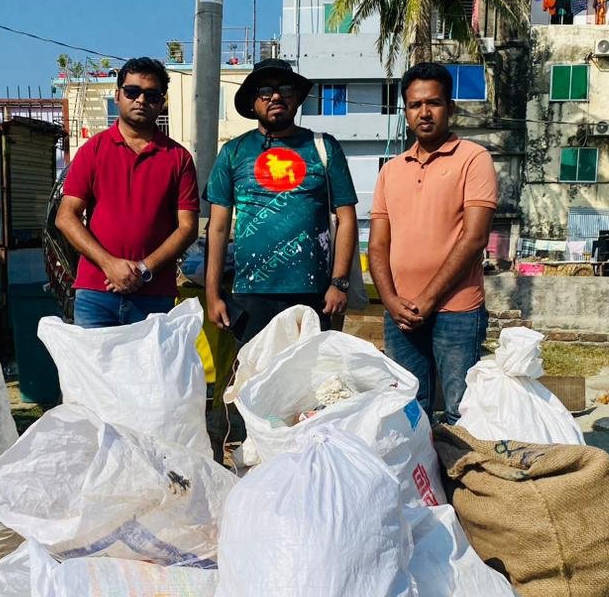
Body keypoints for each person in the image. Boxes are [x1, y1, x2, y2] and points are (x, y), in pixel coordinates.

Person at [368, 62, 498, 422]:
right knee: (407, 410)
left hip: (457, 310)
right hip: (401, 314)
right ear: (406, 112)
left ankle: (463, 478)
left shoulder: (474, 158)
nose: (424, 113)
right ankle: (421, 478)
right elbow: (377, 246)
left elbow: (474, 239)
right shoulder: (390, 170)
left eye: (434, 103)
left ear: (450, 108)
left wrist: (427, 299)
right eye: (414, 105)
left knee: (462, 409)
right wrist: (391, 302)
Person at [203, 58, 358, 345]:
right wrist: (212, 294)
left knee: (308, 383)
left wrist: (339, 283)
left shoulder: (325, 147)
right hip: (250, 294)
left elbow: (347, 218)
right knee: (252, 381)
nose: (276, 96)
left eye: (285, 89)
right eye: (265, 91)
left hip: (314, 294)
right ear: (253, 101)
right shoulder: (233, 152)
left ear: (297, 98)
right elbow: (218, 228)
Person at [56, 56, 199, 328]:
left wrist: (144, 270)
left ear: (162, 102)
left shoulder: (178, 158)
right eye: (132, 92)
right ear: (118, 95)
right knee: (95, 371)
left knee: (151, 372)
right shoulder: (93, 150)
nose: (141, 100)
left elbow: (188, 227)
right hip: (96, 293)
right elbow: (65, 217)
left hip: (154, 296)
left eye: (152, 95)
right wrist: (109, 264)